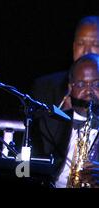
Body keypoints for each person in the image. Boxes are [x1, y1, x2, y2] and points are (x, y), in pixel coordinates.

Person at [31, 53, 99, 188]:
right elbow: (23, 168)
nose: (89, 91)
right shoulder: (48, 122)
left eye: (96, 84)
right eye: (81, 84)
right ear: (70, 88)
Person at [31, 16, 99, 109]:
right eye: (81, 43)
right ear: (74, 47)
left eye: (95, 44)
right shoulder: (45, 87)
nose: (86, 51)